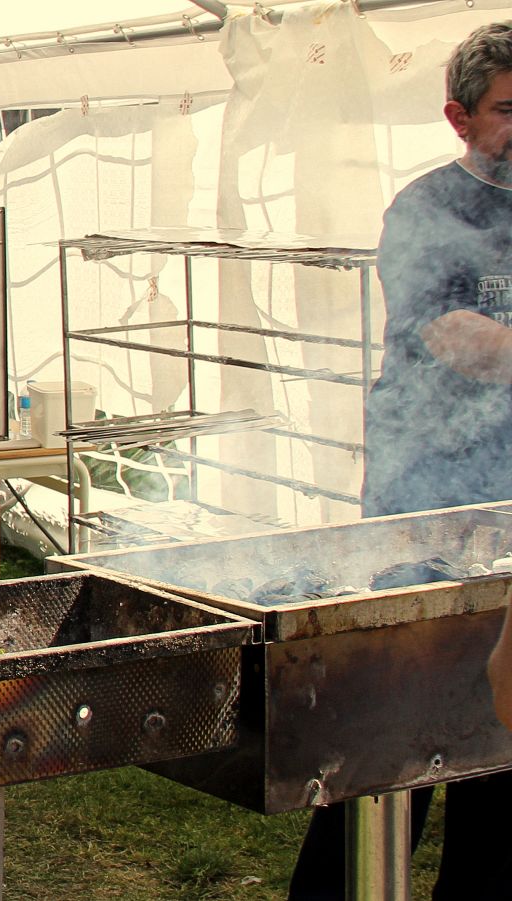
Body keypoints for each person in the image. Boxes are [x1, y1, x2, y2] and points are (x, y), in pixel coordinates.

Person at [288, 22, 512, 900]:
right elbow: (455, 337)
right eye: (507, 110)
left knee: (501, 738)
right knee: (392, 732)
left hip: (507, 504)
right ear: (457, 116)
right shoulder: (424, 211)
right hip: (423, 508)